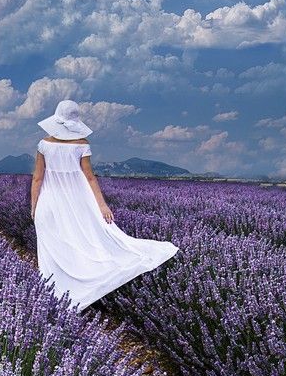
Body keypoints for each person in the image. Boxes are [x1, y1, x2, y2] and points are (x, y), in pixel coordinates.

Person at [29, 99, 179, 312]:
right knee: (81, 240)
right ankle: (84, 284)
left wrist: (34, 206)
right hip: (77, 201)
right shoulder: (82, 145)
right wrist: (101, 206)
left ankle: (58, 293)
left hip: (50, 202)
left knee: (56, 245)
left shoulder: (44, 144)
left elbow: (37, 179)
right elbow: (90, 178)